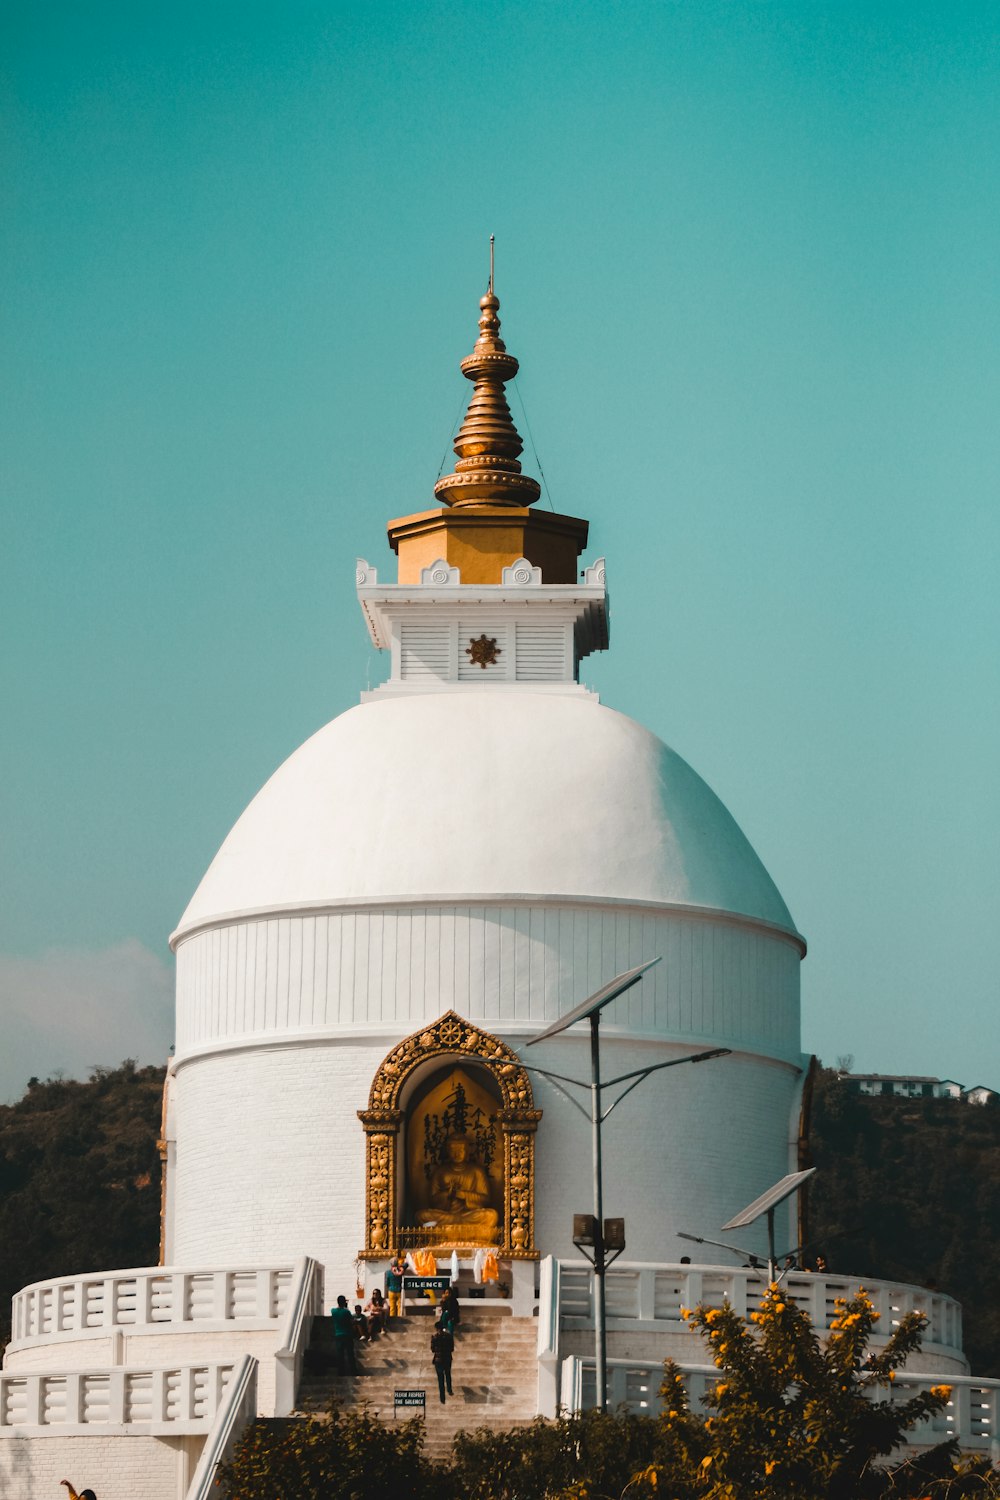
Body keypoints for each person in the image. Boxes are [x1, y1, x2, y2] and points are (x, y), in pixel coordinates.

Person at [416, 1135, 499, 1238]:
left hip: (469, 1215)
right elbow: (433, 1200)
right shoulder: (441, 1172)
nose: (457, 1154)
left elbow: (485, 1199)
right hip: (447, 1217)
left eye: (460, 1150)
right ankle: (465, 1233)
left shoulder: (476, 1172)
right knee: (422, 1215)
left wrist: (463, 1195)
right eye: (453, 1150)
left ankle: (447, 1233)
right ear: (448, 1151)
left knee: (491, 1215)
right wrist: (447, 1194)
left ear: (467, 1151)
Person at [330, 1294, 359, 1374]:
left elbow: (334, 1311)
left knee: (340, 1354)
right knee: (350, 1354)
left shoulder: (333, 1311)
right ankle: (353, 1371)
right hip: (347, 1334)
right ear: (344, 1302)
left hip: (338, 1334)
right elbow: (351, 1321)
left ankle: (341, 1371)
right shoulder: (346, 1311)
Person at [430, 1318, 454, 1403]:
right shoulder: (449, 1336)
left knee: (440, 1379)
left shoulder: (434, 1337)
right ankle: (449, 1389)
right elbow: (452, 1348)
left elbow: (432, 1349)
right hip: (447, 1358)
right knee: (448, 1374)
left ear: (436, 1328)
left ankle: (442, 1398)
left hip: (438, 1360)